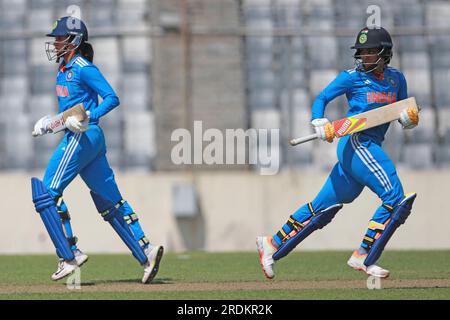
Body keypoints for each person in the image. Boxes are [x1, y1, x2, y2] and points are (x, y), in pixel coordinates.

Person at [257, 26, 419, 279]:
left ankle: (272, 244)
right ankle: (364, 254)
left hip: (368, 148)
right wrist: (318, 121)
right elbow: (322, 98)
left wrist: (408, 120)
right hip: (357, 142)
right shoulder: (351, 77)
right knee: (395, 197)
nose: (364, 57)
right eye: (361, 52)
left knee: (323, 206)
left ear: (385, 53)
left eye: (370, 52)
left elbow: (402, 110)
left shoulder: (396, 79)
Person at [31, 16, 163, 284]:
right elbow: (71, 111)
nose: (55, 42)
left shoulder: (83, 67)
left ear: (74, 40)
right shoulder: (63, 68)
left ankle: (69, 254)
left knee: (45, 192)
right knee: (109, 200)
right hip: (88, 138)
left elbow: (112, 98)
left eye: (59, 37)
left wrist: (88, 117)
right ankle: (146, 251)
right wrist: (51, 123)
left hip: (83, 137)